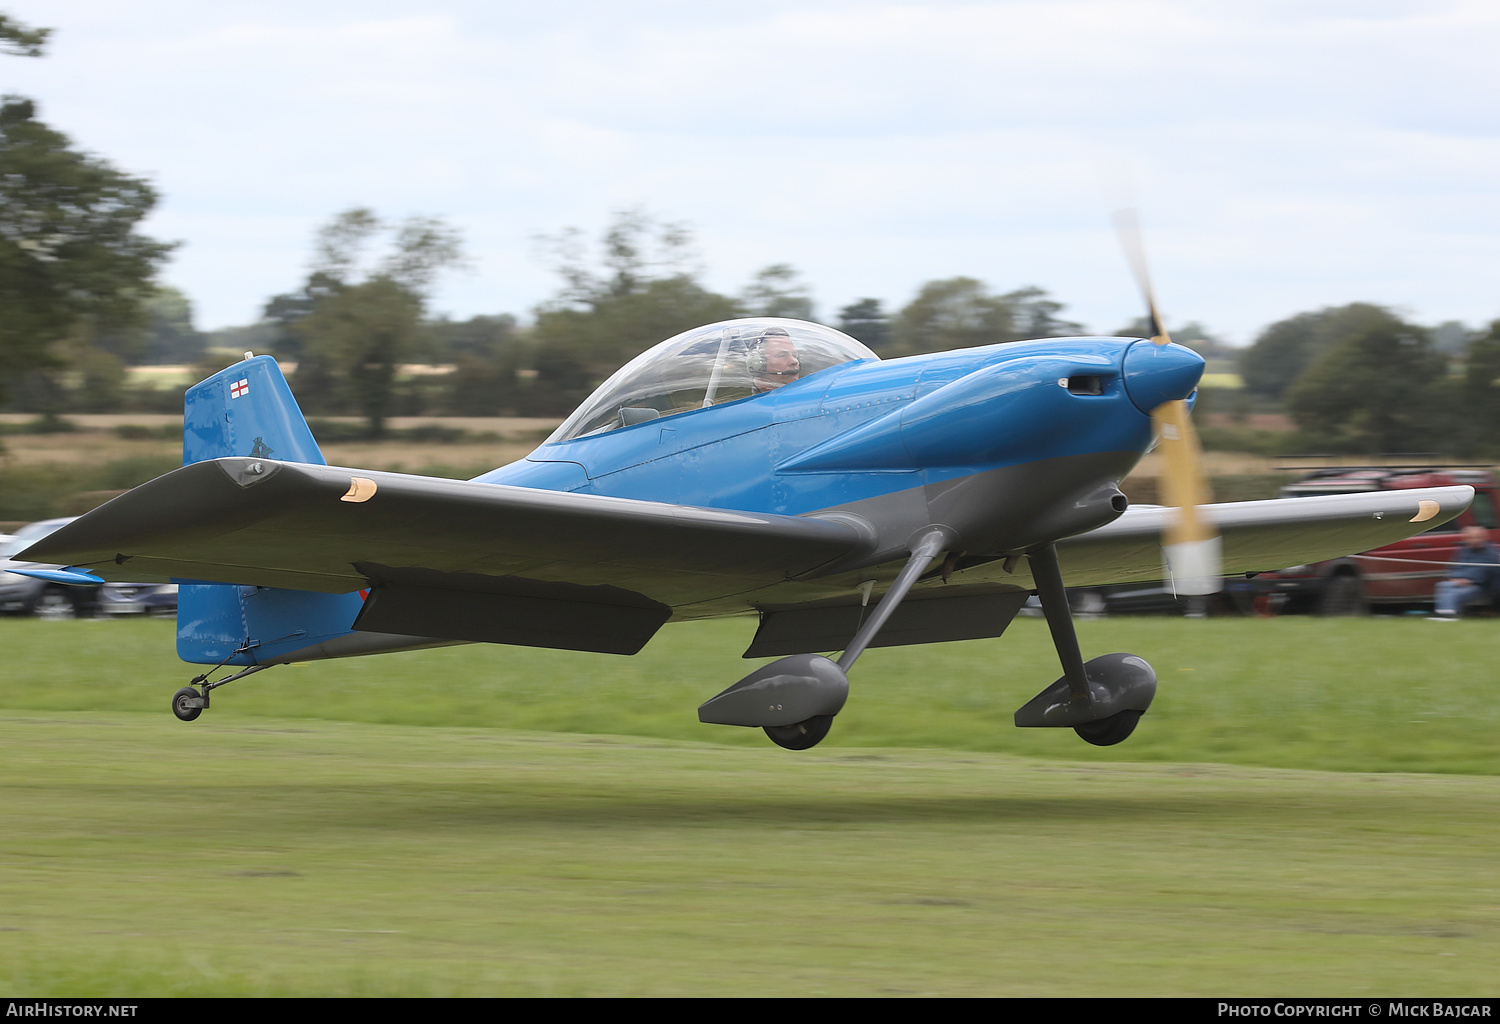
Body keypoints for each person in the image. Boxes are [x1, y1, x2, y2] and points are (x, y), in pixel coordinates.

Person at [1430, 525, 1500, 619]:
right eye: (1470, 538)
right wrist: (1455, 578)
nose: (1473, 540)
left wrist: (1469, 580)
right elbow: (1455, 567)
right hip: (1460, 582)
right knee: (1443, 585)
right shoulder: (1464, 551)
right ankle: (1444, 612)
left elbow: (1487, 573)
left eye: (1476, 537)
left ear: (1483, 538)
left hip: (1479, 586)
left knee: (1455, 593)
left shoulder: (1491, 553)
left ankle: (1449, 615)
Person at [748, 327, 800, 392]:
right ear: (758, 364)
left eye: (795, 355)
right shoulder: (753, 402)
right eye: (782, 355)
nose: (795, 361)